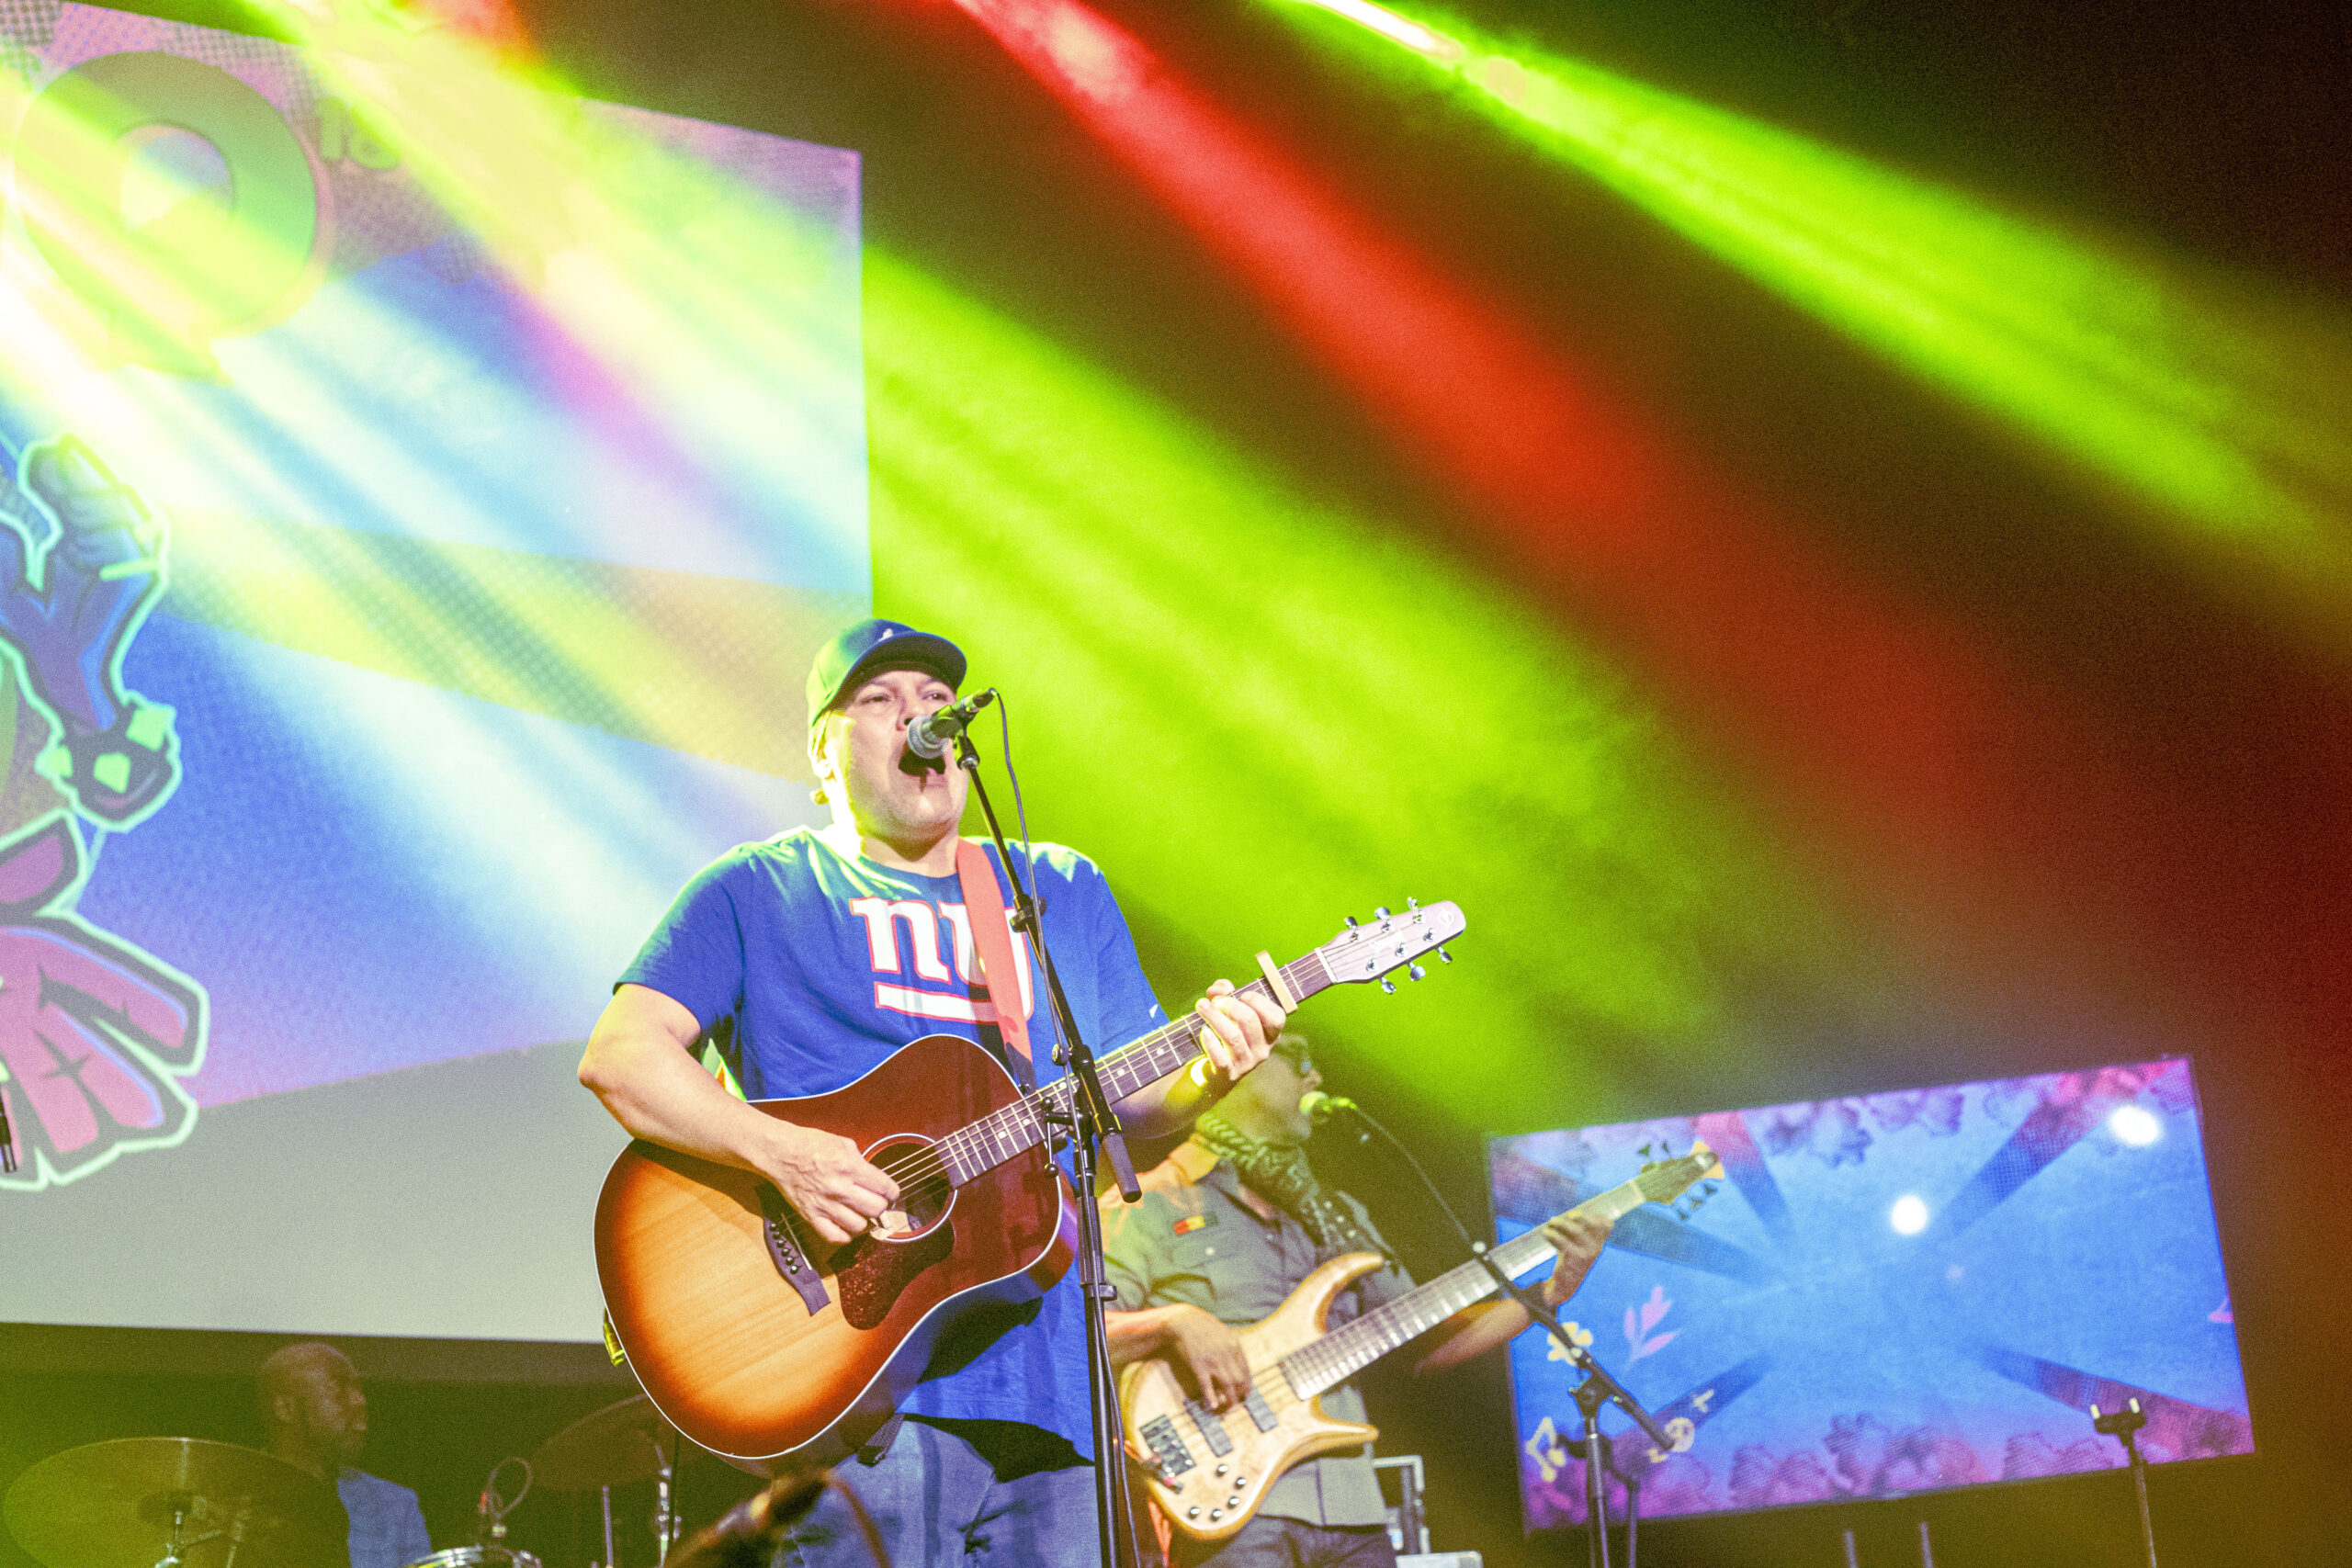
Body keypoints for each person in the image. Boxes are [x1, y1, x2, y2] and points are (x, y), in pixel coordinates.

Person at [578, 617, 1285, 1568]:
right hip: (855, 1394)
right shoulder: (758, 889)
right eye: (879, 699)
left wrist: (1211, 1069)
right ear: (822, 753)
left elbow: (1130, 1101)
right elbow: (623, 1057)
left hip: (1053, 1398)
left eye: (936, 699)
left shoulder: (1054, 889)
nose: (920, 716)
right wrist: (787, 1155)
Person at [1102, 1032, 1611, 1568]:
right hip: (1231, 1517)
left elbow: (1424, 1342)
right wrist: (1174, 1323)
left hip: (1355, 1513)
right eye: (1296, 1058)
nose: (1315, 1076)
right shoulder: (1146, 1201)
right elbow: (1079, 1343)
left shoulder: (1337, 1215)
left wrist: (1551, 1292)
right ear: (1238, 1065)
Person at [256, 1341, 433, 1568]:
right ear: (286, 1409)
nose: (360, 1401)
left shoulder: (396, 1505)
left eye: (359, 1390)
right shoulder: (229, 1495)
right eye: (340, 1392)